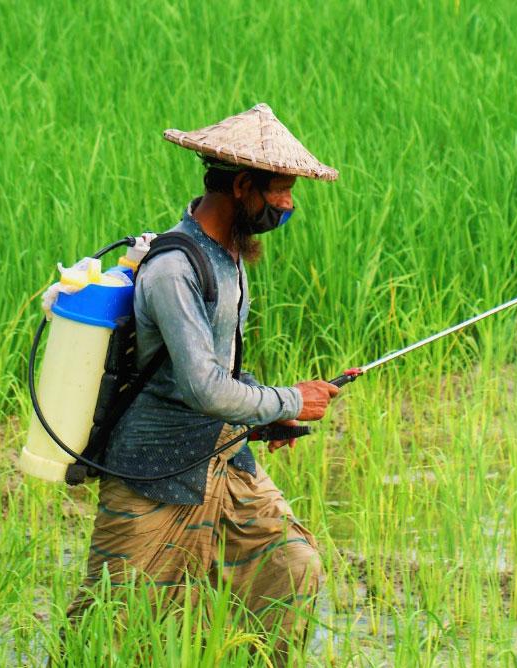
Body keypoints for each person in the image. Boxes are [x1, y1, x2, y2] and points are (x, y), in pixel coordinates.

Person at [67, 103, 341, 663]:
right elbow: (202, 387)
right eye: (281, 191)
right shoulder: (174, 268)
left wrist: (268, 415)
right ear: (243, 186)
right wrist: (293, 399)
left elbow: (227, 373)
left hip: (221, 457)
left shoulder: (231, 257)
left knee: (291, 568)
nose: (288, 205)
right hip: (154, 467)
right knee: (109, 632)